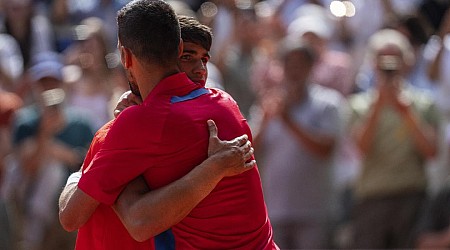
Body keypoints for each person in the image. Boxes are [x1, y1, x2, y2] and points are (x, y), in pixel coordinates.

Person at [59, 5, 276, 248]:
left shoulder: (131, 126)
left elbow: (72, 216)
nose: (199, 69)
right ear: (178, 49)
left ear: (125, 56)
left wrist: (79, 174)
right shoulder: (226, 104)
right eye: (190, 57)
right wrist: (213, 168)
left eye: (204, 59)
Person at [347, 28, 440, 249]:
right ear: (373, 63)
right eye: (383, 60)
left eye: (394, 59)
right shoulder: (359, 105)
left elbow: (431, 151)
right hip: (372, 199)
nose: (388, 66)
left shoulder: (423, 104)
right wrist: (379, 105)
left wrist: (406, 112)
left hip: (412, 199)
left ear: (406, 62)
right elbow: (361, 148)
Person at [253, 39, 343, 249]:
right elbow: (251, 151)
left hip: (315, 211)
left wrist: (288, 120)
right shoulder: (268, 104)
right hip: (275, 210)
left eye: (300, 64)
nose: (294, 70)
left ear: (312, 67)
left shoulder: (328, 103)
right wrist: (266, 121)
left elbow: (325, 149)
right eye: (289, 64)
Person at [4, 51, 94, 250]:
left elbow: (89, 166)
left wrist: (57, 152)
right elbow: (28, 167)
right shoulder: (26, 120)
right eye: (43, 83)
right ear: (35, 86)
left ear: (62, 84)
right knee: (47, 170)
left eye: (53, 82)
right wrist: (44, 135)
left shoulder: (82, 122)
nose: (48, 88)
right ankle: (30, 235)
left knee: (54, 170)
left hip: (72, 201)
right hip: (29, 201)